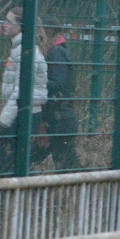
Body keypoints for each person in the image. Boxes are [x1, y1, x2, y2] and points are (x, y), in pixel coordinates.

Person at [0, 6, 48, 175]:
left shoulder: (26, 51)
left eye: (8, 21)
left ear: (20, 26)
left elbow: (21, 90)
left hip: (24, 113)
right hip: (20, 112)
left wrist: (4, 120)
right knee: (10, 164)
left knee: (8, 166)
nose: (4, 25)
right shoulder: (19, 48)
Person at [32, 26, 79, 170]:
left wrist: (31, 82)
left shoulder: (57, 52)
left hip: (58, 119)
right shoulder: (59, 52)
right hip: (59, 118)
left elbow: (57, 84)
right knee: (67, 166)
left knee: (26, 159)